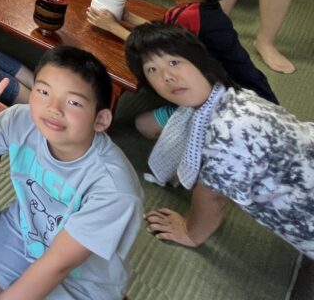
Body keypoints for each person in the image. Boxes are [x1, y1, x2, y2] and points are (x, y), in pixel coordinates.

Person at [0, 47, 142, 300]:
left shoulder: (114, 188)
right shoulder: (20, 120)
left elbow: (57, 264)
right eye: (43, 91)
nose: (53, 108)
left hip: (82, 273)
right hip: (26, 230)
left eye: (73, 102)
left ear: (101, 119)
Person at [125, 23, 313, 258]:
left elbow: (212, 196)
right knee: (146, 123)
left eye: (174, 62)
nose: (167, 76)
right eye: (152, 69)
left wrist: (190, 232)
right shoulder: (230, 96)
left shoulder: (229, 130)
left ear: (199, 60)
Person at [87, 0, 277, 136]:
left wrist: (113, 27)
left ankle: (201, 123)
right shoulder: (199, 9)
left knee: (143, 125)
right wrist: (128, 17)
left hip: (233, 105)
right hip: (244, 89)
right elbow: (165, 34)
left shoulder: (192, 17)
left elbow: (157, 50)